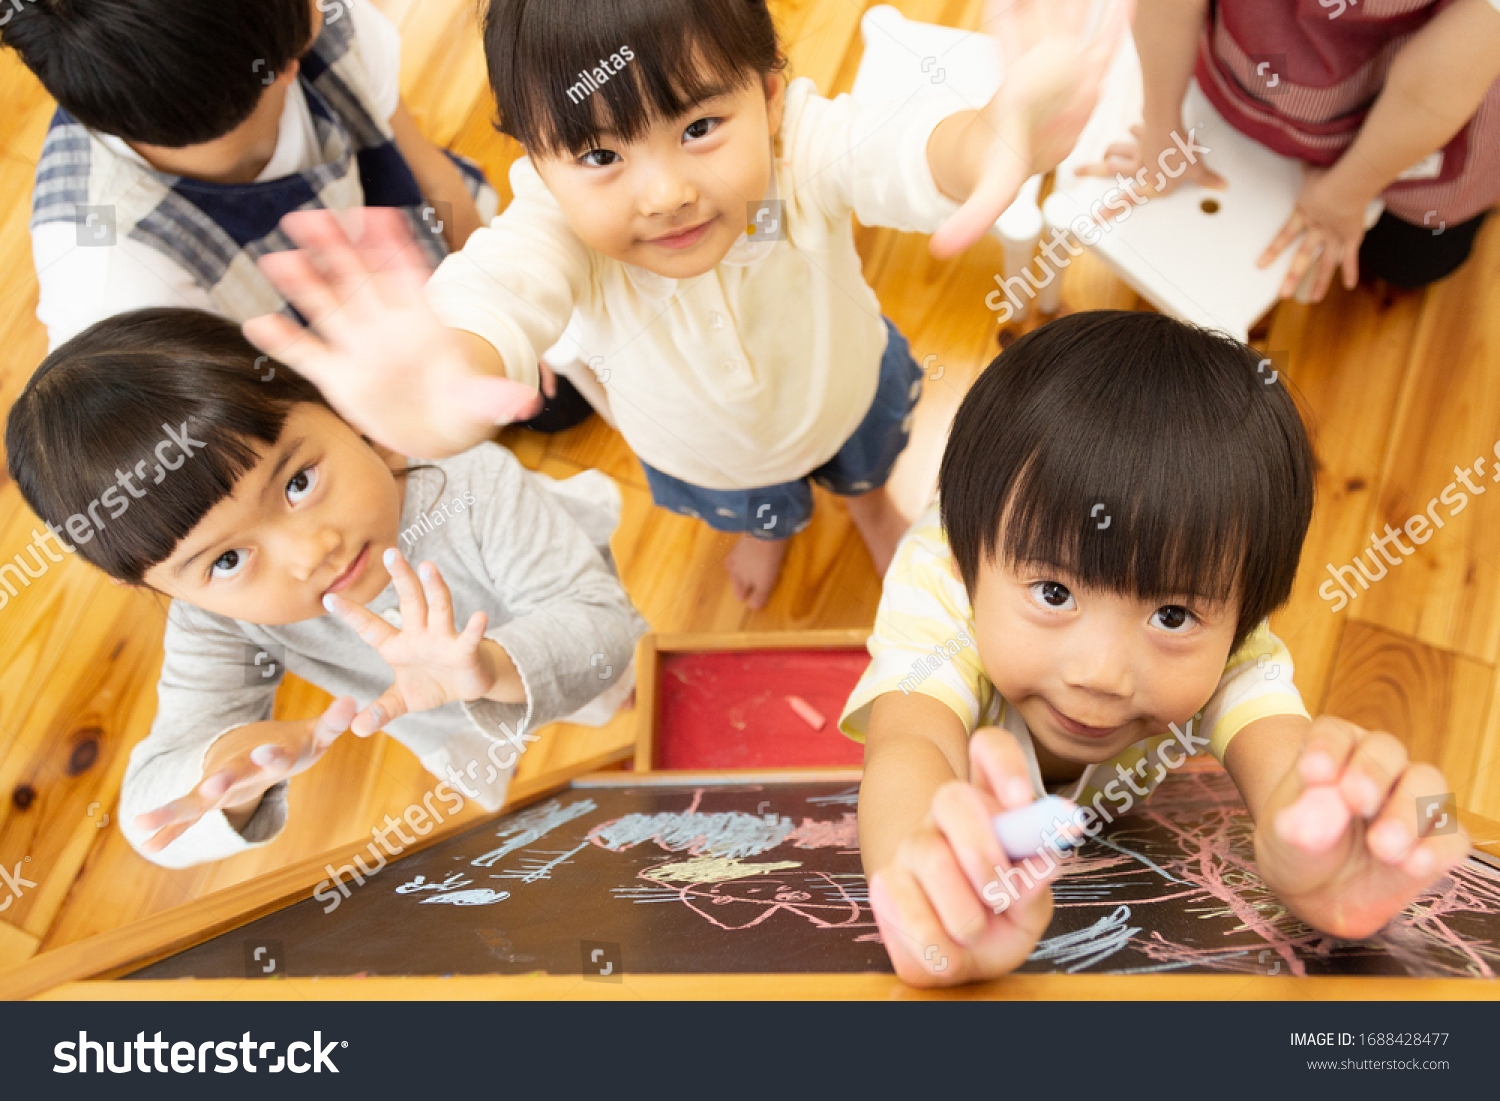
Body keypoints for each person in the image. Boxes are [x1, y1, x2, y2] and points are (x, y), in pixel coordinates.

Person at [236, 0, 1129, 608]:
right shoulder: (557, 233)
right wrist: (442, 373)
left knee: (869, 465)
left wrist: (988, 138)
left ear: (770, 98)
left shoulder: (796, 152)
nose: (663, 193)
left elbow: (895, 152)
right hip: (706, 456)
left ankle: (867, 506)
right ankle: (772, 525)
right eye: (598, 156)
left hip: (850, 387)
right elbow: (496, 297)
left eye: (700, 128)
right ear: (536, 164)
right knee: (756, 507)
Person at [841, 310, 1471, 985]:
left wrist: (1319, 846)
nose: (1102, 674)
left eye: (1171, 614)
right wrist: (928, 886)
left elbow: (1286, 761)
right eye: (1054, 593)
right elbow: (912, 745)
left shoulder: (1234, 643)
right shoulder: (943, 586)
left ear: (1242, 619)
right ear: (969, 569)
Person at [4, 308, 645, 868]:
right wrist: (227, 765)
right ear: (160, 589)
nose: (312, 551)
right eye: (227, 560)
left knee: (614, 687)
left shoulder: (466, 481)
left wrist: (490, 665)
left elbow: (597, 624)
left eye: (298, 482)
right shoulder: (219, 622)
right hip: (446, 722)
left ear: (343, 409)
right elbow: (155, 817)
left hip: (558, 631)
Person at [1084, 0, 1500, 301]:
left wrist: (1346, 192)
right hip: (1250, 57)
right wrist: (1161, 125)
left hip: (1411, 113)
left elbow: (1429, 95)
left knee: (1409, 263)